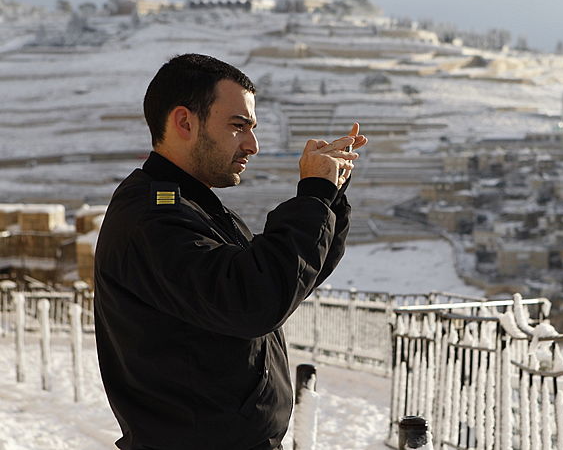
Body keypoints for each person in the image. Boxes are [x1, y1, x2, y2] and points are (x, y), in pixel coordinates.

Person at [94, 53, 367, 450]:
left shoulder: (191, 205)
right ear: (185, 122)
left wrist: (329, 201)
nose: (252, 146)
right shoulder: (152, 217)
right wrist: (313, 197)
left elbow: (286, 280)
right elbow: (256, 300)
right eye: (239, 127)